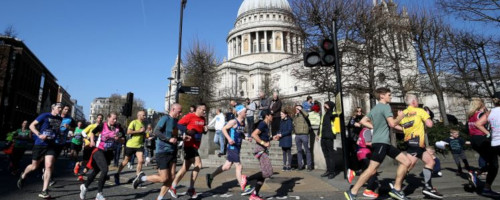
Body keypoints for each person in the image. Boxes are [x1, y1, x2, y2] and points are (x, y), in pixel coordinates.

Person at [345, 87, 410, 200]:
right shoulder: (385, 107)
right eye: (389, 95)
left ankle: (396, 189)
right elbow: (392, 124)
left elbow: (362, 121)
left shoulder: (375, 108)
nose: (391, 96)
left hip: (384, 143)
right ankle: (353, 192)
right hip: (381, 143)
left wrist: (375, 127)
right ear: (382, 96)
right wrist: (400, 117)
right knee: (371, 170)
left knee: (406, 161)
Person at [393, 94, 443, 199]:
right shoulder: (420, 111)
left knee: (430, 162)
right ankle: (396, 187)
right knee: (408, 165)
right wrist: (428, 116)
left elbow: (394, 125)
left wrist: (405, 130)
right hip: (416, 142)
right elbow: (429, 124)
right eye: (417, 100)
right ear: (414, 102)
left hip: (412, 142)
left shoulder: (404, 113)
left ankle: (428, 187)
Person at [131, 104, 182, 200]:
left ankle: (159, 198)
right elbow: (156, 131)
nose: (180, 113)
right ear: (173, 109)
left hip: (172, 151)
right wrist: (168, 139)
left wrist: (181, 138)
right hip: (163, 151)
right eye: (179, 111)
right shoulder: (165, 118)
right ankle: (141, 178)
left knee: (171, 177)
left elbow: (173, 136)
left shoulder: (175, 121)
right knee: (164, 178)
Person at [205, 105, 255, 196]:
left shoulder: (243, 123)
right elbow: (224, 129)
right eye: (245, 111)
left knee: (226, 166)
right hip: (232, 147)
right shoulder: (233, 121)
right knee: (239, 166)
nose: (246, 113)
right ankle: (244, 187)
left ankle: (210, 176)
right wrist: (228, 139)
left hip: (238, 146)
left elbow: (240, 133)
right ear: (240, 112)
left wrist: (246, 138)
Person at [17, 103, 62, 199]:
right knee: (34, 166)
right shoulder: (45, 115)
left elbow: (55, 130)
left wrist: (60, 134)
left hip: (51, 145)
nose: (60, 109)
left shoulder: (59, 119)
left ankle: (44, 191)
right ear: (53, 108)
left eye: (61, 108)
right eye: (59, 107)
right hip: (40, 144)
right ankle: (23, 175)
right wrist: (39, 134)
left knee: (49, 165)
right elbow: (31, 126)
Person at [79, 112, 124, 200]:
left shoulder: (118, 127)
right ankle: (99, 194)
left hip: (109, 153)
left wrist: (118, 139)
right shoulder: (102, 126)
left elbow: (123, 140)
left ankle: (85, 186)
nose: (114, 121)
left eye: (116, 119)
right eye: (113, 119)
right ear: (108, 118)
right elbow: (92, 132)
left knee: (96, 170)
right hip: (99, 151)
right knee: (105, 169)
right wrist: (92, 141)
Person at [169, 103, 208, 199]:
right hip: (189, 145)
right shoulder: (190, 116)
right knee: (198, 165)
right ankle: (191, 188)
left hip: (196, 145)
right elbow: (178, 125)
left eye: (205, 110)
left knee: (184, 168)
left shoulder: (203, 119)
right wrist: (187, 131)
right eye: (203, 110)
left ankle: (173, 187)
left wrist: (204, 130)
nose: (204, 111)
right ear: (198, 109)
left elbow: (201, 130)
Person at [473, 95, 500, 197]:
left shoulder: (490, 112)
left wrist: (488, 133)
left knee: (494, 166)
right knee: (493, 166)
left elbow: (478, 124)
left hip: (494, 143)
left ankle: (486, 188)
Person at [248, 111, 278, 200]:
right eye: (271, 115)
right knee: (268, 172)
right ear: (267, 116)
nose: (273, 116)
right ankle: (246, 179)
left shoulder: (266, 125)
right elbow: (254, 134)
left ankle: (254, 195)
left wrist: (272, 138)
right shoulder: (263, 124)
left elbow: (265, 138)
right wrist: (263, 143)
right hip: (260, 150)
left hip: (262, 149)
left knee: (264, 174)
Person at [115, 110, 147, 185]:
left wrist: (144, 134)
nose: (145, 116)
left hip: (139, 145)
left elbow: (142, 133)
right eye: (143, 115)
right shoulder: (134, 122)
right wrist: (139, 131)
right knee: (126, 161)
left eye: (145, 115)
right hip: (130, 145)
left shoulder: (143, 124)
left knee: (141, 160)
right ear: (139, 115)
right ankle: (117, 174)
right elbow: (128, 132)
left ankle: (137, 177)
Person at [347, 127, 379, 198]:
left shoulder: (362, 130)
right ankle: (368, 190)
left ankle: (354, 173)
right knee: (373, 172)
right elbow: (367, 142)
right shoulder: (367, 131)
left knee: (366, 171)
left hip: (360, 153)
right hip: (365, 152)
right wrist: (377, 144)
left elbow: (358, 142)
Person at [74, 114, 103, 181]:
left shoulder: (102, 127)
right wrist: (87, 137)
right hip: (88, 145)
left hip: (95, 146)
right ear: (96, 119)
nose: (100, 119)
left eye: (101, 118)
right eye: (98, 118)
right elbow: (83, 132)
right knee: (87, 162)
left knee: (91, 162)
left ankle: (81, 174)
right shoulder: (91, 126)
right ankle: (78, 164)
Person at [319, 101, 338, 179]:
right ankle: (328, 170)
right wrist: (318, 134)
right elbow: (321, 125)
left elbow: (332, 116)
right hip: (323, 137)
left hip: (329, 136)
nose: (324, 106)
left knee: (331, 155)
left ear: (329, 106)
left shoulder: (333, 114)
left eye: (326, 105)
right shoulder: (324, 115)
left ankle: (332, 172)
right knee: (326, 155)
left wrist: (329, 109)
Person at [293, 105, 312, 171]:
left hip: (304, 134)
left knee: (307, 150)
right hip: (297, 135)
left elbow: (307, 115)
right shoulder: (296, 116)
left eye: (298, 108)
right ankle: (300, 166)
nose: (297, 109)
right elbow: (294, 124)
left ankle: (309, 166)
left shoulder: (304, 114)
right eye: (296, 108)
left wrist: (301, 109)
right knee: (299, 151)